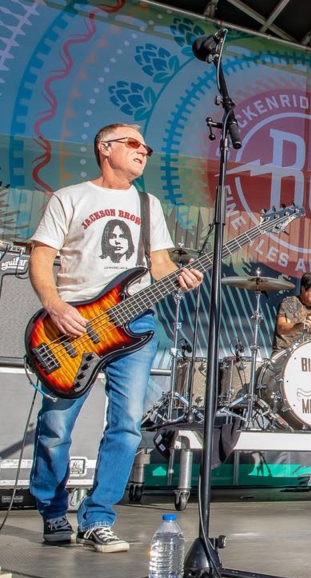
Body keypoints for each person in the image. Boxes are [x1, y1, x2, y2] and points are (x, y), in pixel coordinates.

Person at [29, 123, 204, 552]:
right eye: (133, 143)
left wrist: (181, 277)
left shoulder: (148, 204)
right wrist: (55, 305)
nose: (143, 150)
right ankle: (53, 512)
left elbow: (159, 265)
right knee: (55, 425)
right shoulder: (70, 198)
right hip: (74, 325)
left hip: (136, 324)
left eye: (146, 145)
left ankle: (98, 517)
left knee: (126, 426)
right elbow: (42, 256)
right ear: (106, 149)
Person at [274, 271, 311, 352]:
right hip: (285, 354)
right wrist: (300, 325)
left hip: (308, 357)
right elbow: (281, 328)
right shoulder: (288, 303)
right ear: (303, 289)